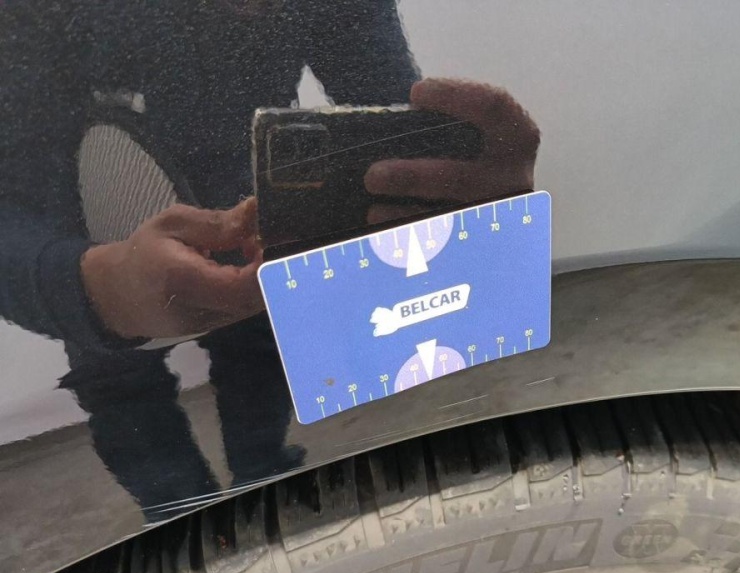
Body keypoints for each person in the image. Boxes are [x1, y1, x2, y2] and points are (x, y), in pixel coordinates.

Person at [0, 1, 539, 515]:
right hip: (99, 218)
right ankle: (194, 519)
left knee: (240, 354)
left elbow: (390, 113)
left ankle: (252, 489)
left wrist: (456, 184)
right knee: (123, 386)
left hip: (240, 213)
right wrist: (88, 284)